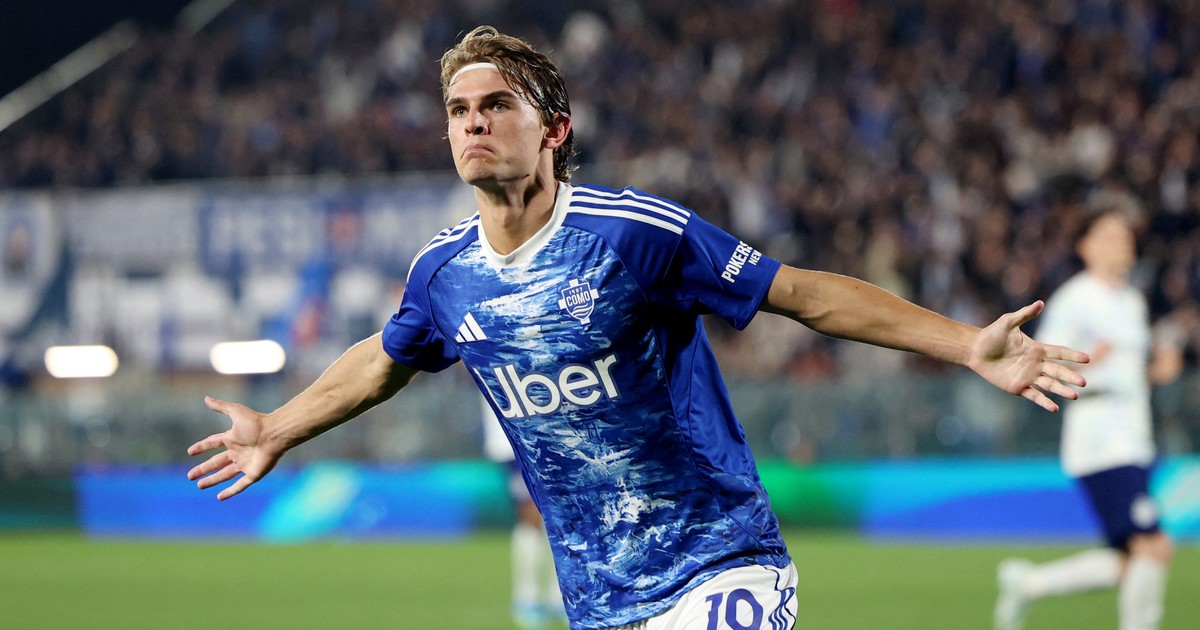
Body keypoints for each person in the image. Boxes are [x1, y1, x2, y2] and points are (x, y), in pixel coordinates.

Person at [188, 26, 1089, 630]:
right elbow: (383, 361)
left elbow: (802, 294)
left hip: (721, 565)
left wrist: (964, 344)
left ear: (554, 129)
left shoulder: (635, 233)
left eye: (496, 105)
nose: (474, 124)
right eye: (459, 112)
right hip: (600, 601)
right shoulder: (442, 275)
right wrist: (277, 427)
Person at [993, 208, 1178, 630]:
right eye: (1110, 235)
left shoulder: (1132, 300)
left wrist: (1155, 372)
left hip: (1135, 435)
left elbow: (1127, 373)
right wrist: (1090, 363)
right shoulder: (1074, 299)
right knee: (1153, 546)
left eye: (1125, 234)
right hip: (1101, 438)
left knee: (1130, 560)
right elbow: (1043, 364)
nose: (1123, 242)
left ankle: (1029, 584)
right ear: (1086, 247)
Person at [481, 395, 567, 629]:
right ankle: (527, 597)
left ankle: (558, 595)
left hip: (550, 435)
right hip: (514, 438)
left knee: (561, 514)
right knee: (532, 515)